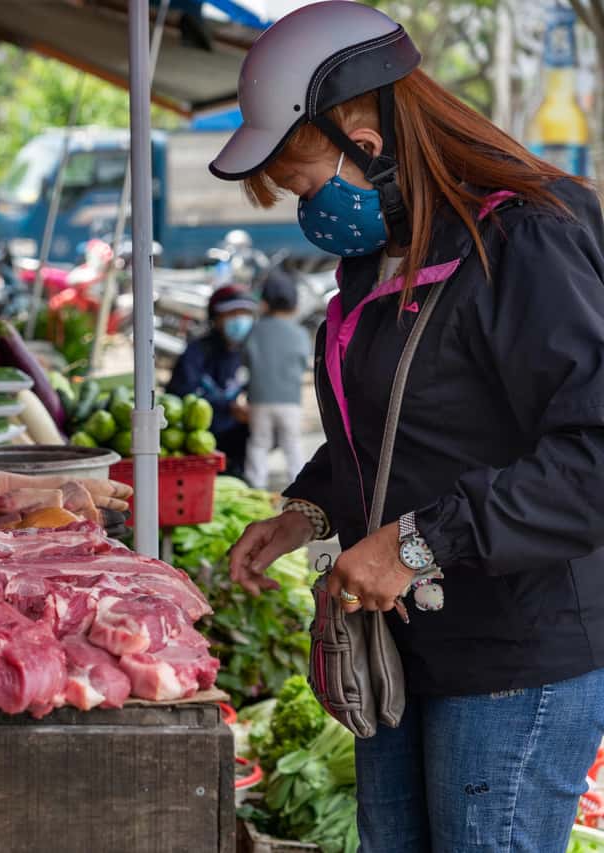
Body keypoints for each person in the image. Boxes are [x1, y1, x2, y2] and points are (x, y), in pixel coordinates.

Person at [218, 3, 604, 851]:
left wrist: (416, 544)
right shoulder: (381, 258)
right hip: (406, 648)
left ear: (366, 138)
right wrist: (309, 510)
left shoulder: (527, 237)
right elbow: (399, 421)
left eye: (307, 184)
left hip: (512, 655)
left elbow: (590, 457)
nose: (307, 212)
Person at [165, 283, 257, 478]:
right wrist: (227, 405)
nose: (239, 320)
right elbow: (183, 393)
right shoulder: (197, 352)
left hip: (236, 434)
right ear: (216, 318)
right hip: (201, 436)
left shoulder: (248, 351)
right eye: (233, 314)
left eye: (244, 314)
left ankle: (239, 470)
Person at [241, 269, 311, 490]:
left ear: (265, 303)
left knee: (259, 443)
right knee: (292, 443)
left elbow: (246, 360)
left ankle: (256, 485)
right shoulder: (299, 333)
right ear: (294, 304)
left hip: (259, 399)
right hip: (290, 399)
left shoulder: (255, 330)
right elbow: (302, 363)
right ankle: (299, 488)